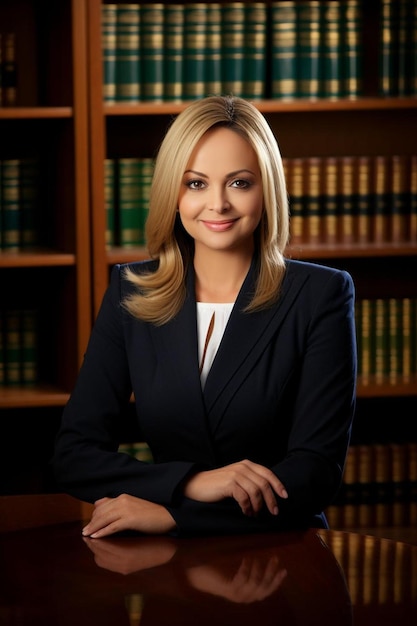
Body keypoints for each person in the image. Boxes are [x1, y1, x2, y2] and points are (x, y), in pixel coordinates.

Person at [52, 95, 357, 538]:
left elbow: (315, 472)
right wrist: (192, 483)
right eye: (196, 183)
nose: (218, 204)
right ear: (172, 192)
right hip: (165, 574)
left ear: (266, 190)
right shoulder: (130, 291)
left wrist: (177, 516)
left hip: (281, 556)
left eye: (239, 183)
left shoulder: (320, 295)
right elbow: (75, 456)